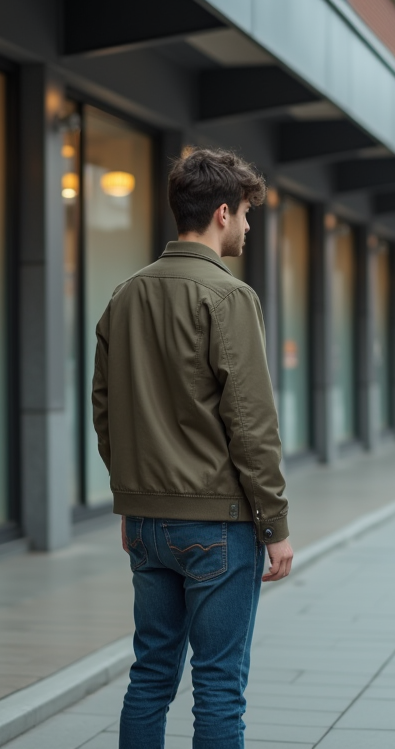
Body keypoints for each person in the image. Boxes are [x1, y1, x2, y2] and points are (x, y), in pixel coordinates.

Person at [92, 147, 293, 749]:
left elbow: (105, 409)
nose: (250, 228)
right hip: (217, 525)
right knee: (219, 686)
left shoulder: (125, 295)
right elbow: (251, 423)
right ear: (223, 214)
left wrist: (131, 498)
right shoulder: (229, 297)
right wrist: (275, 523)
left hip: (147, 526)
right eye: (248, 215)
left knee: (150, 675)